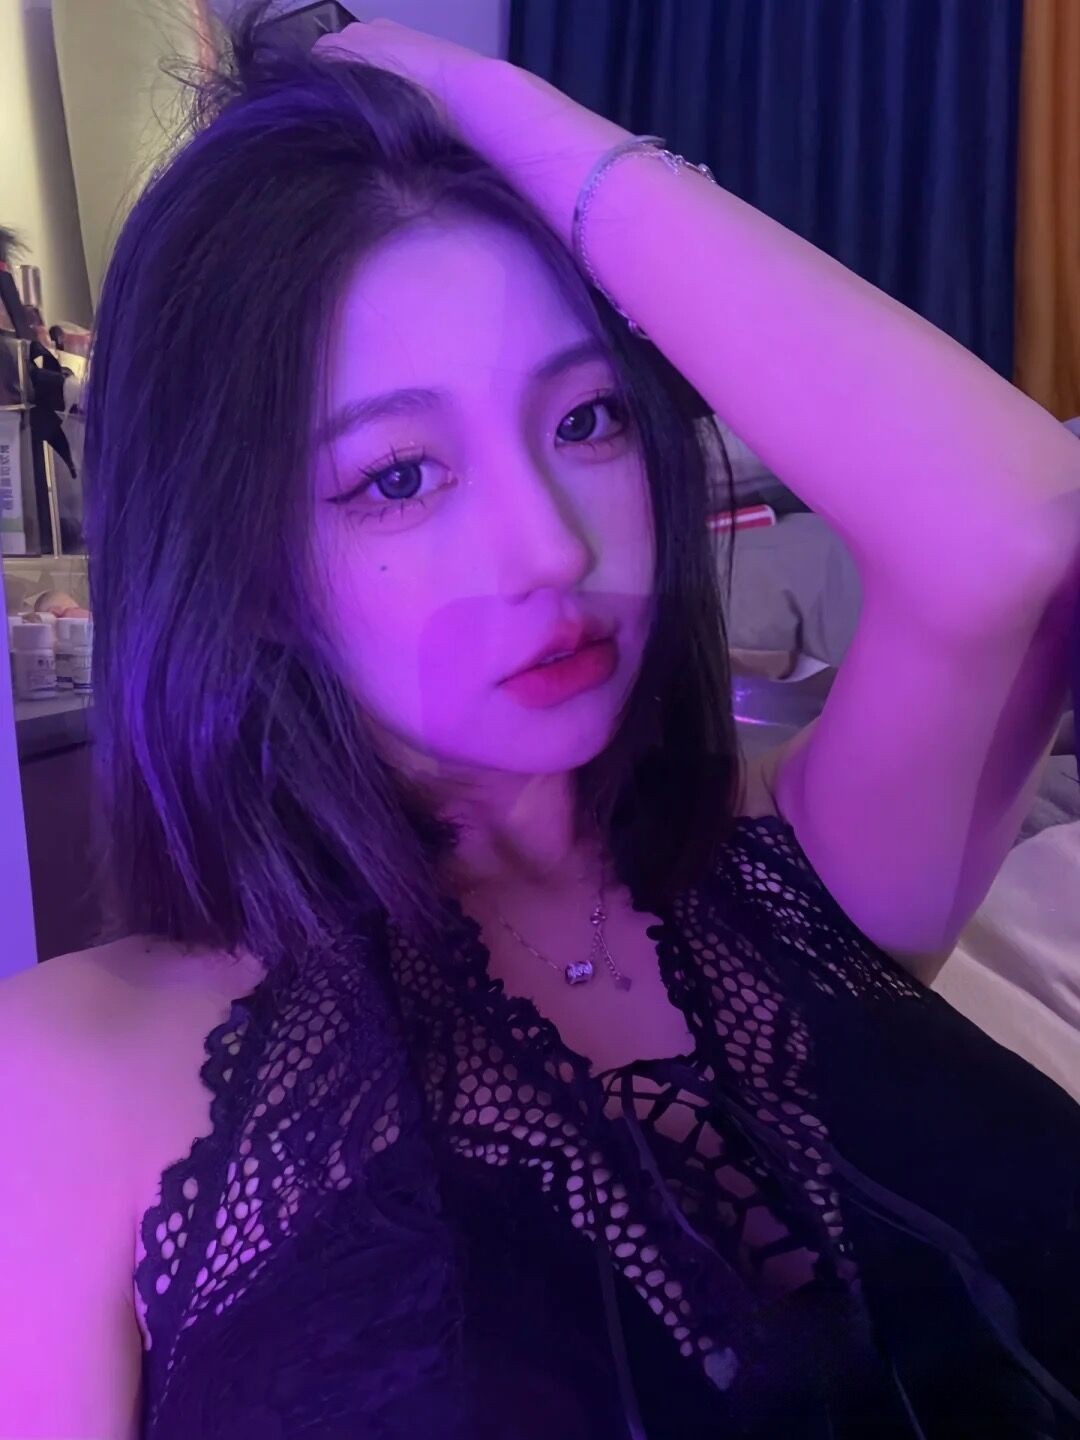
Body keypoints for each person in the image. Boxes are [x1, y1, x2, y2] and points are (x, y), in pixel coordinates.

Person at [2, 8, 1078, 1438]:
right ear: (242, 566)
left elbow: (1019, 528)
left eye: (587, 421)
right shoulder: (67, 1082)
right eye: (397, 478)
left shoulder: (817, 863)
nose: (553, 548)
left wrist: (484, 97)